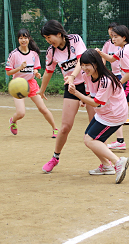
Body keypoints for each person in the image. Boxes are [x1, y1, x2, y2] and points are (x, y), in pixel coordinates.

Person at [38, 20, 95, 173]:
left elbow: (81, 61)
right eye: (45, 38)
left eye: (50, 37)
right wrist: (41, 90)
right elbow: (48, 71)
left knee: (94, 126)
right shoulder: (51, 51)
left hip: (89, 85)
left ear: (59, 33)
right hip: (71, 87)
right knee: (65, 127)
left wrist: (72, 76)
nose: (48, 41)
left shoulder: (75, 39)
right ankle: (55, 158)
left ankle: (106, 161)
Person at [68, 49, 129, 184]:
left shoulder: (105, 80)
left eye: (87, 65)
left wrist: (77, 95)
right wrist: (84, 99)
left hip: (114, 114)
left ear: (96, 63)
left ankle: (117, 162)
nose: (84, 68)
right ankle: (106, 166)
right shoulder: (87, 75)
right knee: (89, 138)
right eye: (82, 65)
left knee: (90, 140)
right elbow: (92, 95)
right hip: (104, 112)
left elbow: (96, 102)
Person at [6, 28, 58, 137]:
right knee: (21, 113)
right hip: (18, 85)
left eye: (25, 37)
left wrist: (36, 73)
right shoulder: (14, 54)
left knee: (43, 108)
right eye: (21, 38)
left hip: (31, 84)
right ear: (18, 39)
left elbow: (35, 68)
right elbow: (8, 72)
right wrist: (20, 68)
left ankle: (55, 128)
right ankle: (13, 120)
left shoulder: (34, 54)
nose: (23, 40)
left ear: (29, 39)